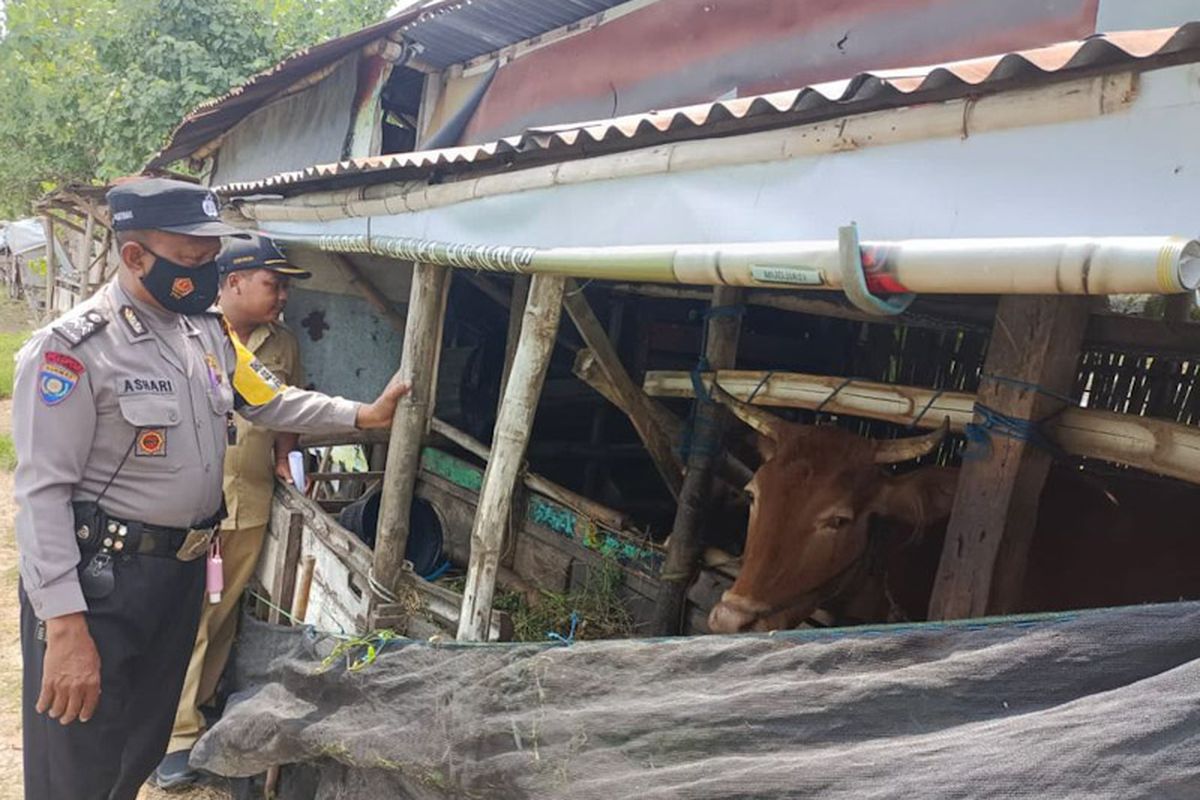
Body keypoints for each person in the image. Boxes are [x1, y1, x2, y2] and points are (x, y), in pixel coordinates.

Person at [13, 178, 409, 800]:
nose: (206, 273)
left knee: (138, 746)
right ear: (135, 256)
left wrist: (363, 415)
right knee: (78, 761)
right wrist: (63, 624)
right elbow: (42, 493)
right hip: (102, 581)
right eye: (191, 259)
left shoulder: (205, 332)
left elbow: (269, 401)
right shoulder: (74, 350)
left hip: (178, 575)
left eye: (211, 257)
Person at [154, 235, 312, 788]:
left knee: (220, 618)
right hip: (191, 503)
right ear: (235, 281)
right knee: (187, 618)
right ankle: (173, 736)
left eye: (286, 286)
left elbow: (287, 409)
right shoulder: (188, 331)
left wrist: (287, 458)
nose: (283, 295)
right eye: (274, 283)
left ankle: (193, 718)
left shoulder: (283, 343)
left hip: (250, 500)